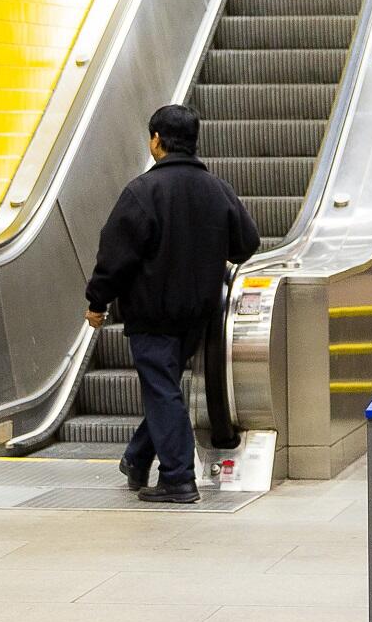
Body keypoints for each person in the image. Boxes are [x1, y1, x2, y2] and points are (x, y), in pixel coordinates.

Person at [85, 104, 260, 504]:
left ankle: (179, 478)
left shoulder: (142, 192)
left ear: (157, 141)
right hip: (199, 315)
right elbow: (246, 244)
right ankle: (136, 457)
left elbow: (114, 256)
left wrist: (97, 302)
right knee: (164, 388)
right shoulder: (217, 189)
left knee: (161, 390)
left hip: (152, 314)